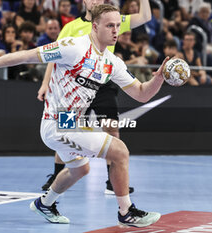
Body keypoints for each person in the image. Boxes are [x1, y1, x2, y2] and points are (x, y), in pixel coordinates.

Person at [0, 4, 166, 227]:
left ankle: (45, 203)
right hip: (56, 123)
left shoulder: (111, 62)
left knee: (80, 169)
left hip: (72, 122)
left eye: (118, 26)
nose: (116, 31)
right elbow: (29, 55)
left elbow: (141, 94)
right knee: (120, 151)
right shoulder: (74, 47)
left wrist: (158, 78)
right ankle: (126, 212)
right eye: (110, 25)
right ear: (95, 25)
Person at [38, 0, 152, 194]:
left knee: (112, 130)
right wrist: (45, 83)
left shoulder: (113, 20)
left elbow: (145, 17)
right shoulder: (71, 27)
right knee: (66, 128)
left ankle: (111, 182)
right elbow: (53, 56)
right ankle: (56, 175)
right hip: (76, 86)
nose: (96, 1)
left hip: (104, 83)